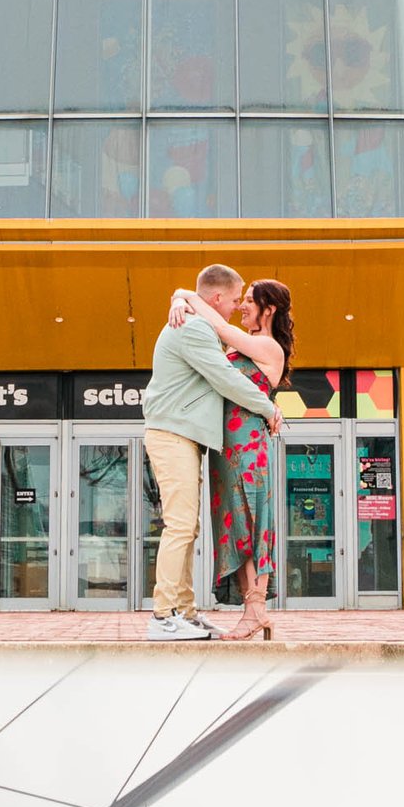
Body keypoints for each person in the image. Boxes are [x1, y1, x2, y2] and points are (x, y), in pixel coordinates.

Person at [141, 262, 280, 640]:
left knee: (189, 526)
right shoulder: (194, 327)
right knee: (181, 525)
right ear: (217, 298)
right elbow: (224, 376)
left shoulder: (196, 323)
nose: (237, 306)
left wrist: (182, 295)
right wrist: (268, 408)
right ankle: (164, 615)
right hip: (173, 434)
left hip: (186, 436)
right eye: (236, 299)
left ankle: (184, 611)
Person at [169, 275, 294, 640]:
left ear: (268, 310)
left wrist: (186, 296)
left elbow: (220, 326)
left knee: (252, 524)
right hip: (227, 448)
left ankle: (256, 612)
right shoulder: (250, 344)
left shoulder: (268, 347)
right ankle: (251, 610)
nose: (242, 306)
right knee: (232, 527)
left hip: (249, 448)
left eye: (250, 302)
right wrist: (179, 299)